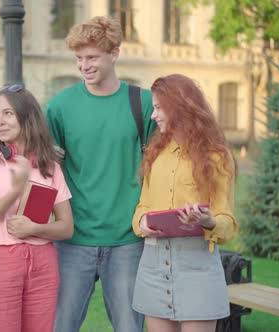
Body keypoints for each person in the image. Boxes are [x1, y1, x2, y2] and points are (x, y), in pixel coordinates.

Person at [45, 16, 156, 332]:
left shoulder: (144, 104)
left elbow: (160, 166)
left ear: (115, 53)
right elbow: (43, 173)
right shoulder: (59, 107)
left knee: (129, 328)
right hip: (73, 239)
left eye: (92, 57)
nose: (84, 65)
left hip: (127, 239)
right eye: (79, 58)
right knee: (59, 326)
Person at [132, 74, 237, 332]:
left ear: (179, 106)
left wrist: (208, 221)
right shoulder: (154, 155)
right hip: (154, 264)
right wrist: (142, 222)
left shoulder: (217, 157)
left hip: (197, 267)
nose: (153, 115)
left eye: (159, 107)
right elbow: (142, 207)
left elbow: (227, 221)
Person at [0, 84, 74, 332]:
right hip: (1, 261)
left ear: (27, 117)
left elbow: (66, 227)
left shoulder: (49, 166)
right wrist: (16, 188)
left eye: (8, 113)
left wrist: (35, 228)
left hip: (44, 264)